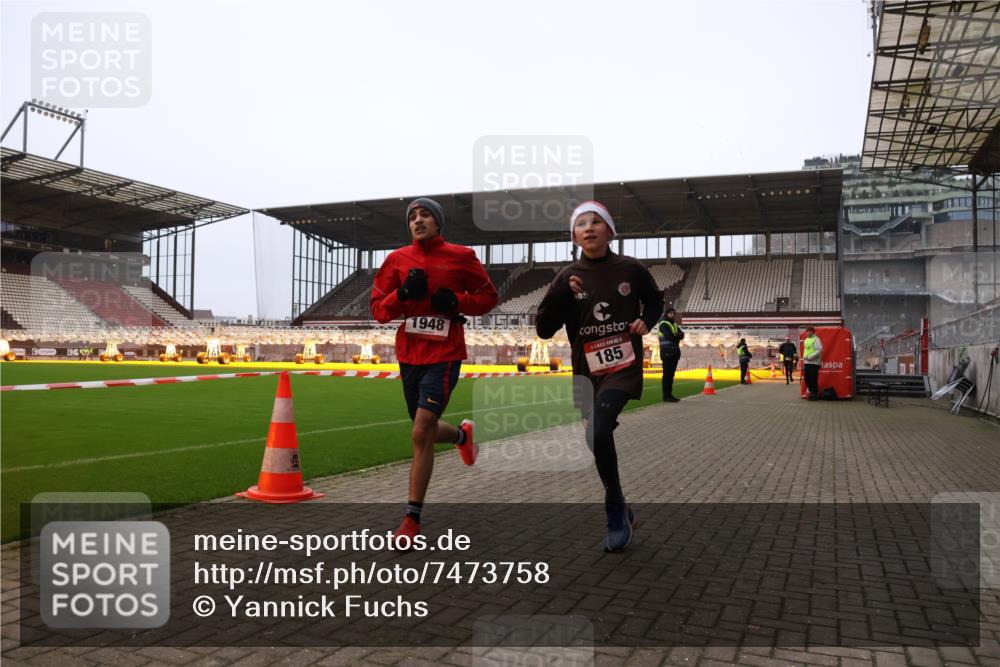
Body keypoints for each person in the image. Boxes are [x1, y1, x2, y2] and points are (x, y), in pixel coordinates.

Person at [370, 197, 499, 546]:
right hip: (409, 353)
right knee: (421, 430)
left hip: (445, 351)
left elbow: (489, 297)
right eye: (412, 216)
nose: (418, 220)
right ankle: (461, 436)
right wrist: (402, 295)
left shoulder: (461, 256)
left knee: (421, 430)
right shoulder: (396, 260)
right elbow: (378, 311)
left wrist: (457, 302)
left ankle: (412, 518)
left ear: (438, 223)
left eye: (425, 214)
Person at [535, 200, 663, 552]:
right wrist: (561, 293)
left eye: (596, 222)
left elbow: (655, 301)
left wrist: (646, 322)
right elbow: (544, 330)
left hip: (622, 365)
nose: (589, 228)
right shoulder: (566, 277)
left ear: (609, 230)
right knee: (595, 438)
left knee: (601, 428)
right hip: (584, 372)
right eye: (581, 224)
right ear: (574, 235)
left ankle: (612, 509)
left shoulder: (631, 269)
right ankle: (622, 506)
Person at [657, 307, 684, 402]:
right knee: (667, 375)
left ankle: (669, 395)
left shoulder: (674, 324)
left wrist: (676, 336)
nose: (672, 315)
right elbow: (669, 336)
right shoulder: (663, 324)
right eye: (670, 313)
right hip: (667, 352)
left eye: (673, 313)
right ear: (666, 314)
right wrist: (677, 336)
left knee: (671, 375)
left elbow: (682, 334)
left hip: (674, 352)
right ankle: (666, 396)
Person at [802, 326, 824, 400]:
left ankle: (814, 394)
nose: (807, 333)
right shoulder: (806, 340)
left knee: (813, 379)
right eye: (807, 331)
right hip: (807, 363)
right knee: (807, 379)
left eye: (809, 331)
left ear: (813, 332)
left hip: (814, 363)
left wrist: (810, 357)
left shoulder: (816, 339)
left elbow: (819, 350)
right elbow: (805, 351)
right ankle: (811, 392)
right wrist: (804, 361)